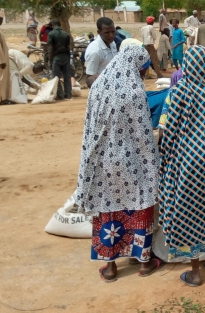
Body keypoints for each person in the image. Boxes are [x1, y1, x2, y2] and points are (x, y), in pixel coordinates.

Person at [74, 45, 164, 283]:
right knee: (139, 206)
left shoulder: (98, 87)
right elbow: (144, 134)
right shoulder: (135, 91)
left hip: (103, 163)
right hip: (133, 164)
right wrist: (152, 164)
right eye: (143, 69)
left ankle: (111, 266)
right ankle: (144, 261)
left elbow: (89, 127)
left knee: (107, 210)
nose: (143, 74)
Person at [157, 45, 205, 287]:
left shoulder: (178, 92)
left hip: (186, 165)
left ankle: (194, 272)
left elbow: (164, 129)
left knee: (188, 213)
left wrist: (165, 159)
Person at [85, 17, 118, 88]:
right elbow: (89, 78)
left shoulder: (112, 43)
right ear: (99, 32)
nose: (111, 35)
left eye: (113, 31)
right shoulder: (95, 51)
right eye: (107, 33)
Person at [46, 19, 73, 100]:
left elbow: (50, 49)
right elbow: (69, 48)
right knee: (67, 77)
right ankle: (68, 94)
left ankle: (60, 95)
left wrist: (49, 60)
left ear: (53, 25)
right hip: (66, 57)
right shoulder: (66, 34)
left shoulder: (51, 34)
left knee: (56, 77)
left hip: (56, 58)